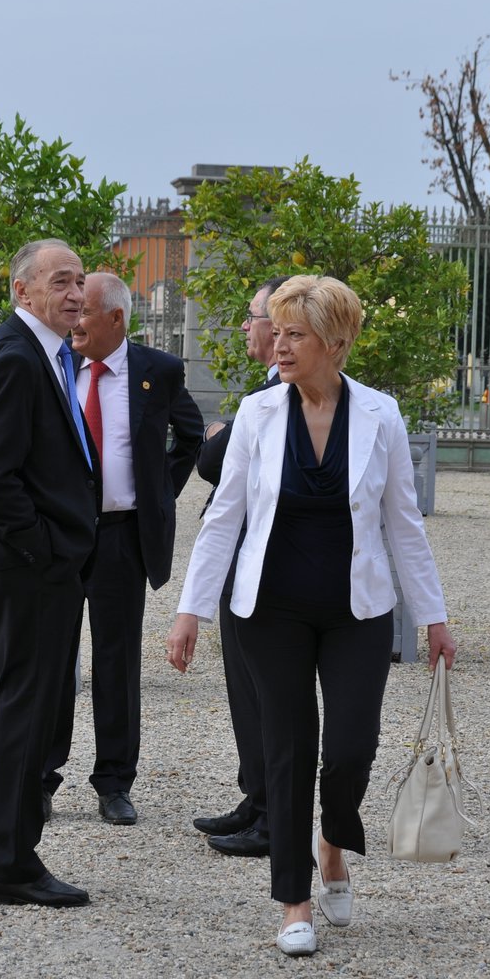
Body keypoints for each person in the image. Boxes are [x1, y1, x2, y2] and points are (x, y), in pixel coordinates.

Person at [166, 275, 456, 958]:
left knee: (351, 748)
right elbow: (224, 518)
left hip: (357, 610)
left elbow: (404, 526)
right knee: (288, 750)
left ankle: (334, 839)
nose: (279, 342)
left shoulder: (381, 416)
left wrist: (434, 617)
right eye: (277, 328)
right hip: (271, 610)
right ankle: (294, 897)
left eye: (295, 332)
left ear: (336, 341)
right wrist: (190, 610)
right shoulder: (258, 413)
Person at [0, 239, 99, 908]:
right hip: (32, 567)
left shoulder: (45, 352)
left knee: (10, 705)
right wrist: (42, 549)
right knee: (25, 712)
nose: (75, 294)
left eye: (79, 282)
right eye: (59, 282)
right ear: (22, 291)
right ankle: (13, 862)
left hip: (36, 564)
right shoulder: (17, 356)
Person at [42, 272, 203, 826]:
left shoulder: (157, 371)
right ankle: (42, 776)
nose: (74, 322)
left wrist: (158, 494)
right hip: (62, 540)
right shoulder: (54, 366)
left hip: (119, 539)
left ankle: (114, 782)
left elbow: (190, 436)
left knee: (116, 663)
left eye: (83, 312)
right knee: (54, 660)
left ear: (115, 318)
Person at [190, 276, 290, 858]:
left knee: (264, 693)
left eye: (251, 316)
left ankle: (273, 815)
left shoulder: (280, 396)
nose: (245, 326)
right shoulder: (264, 388)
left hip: (264, 560)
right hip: (239, 554)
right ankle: (256, 799)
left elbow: (211, 459)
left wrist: (221, 436)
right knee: (243, 690)